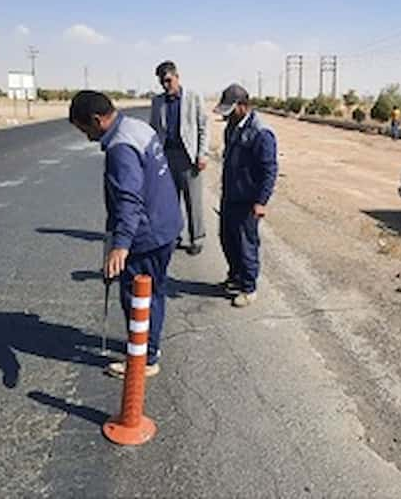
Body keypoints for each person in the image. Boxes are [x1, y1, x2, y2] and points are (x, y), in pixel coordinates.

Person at [69, 90, 182, 378]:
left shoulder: (120, 148)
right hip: (166, 225)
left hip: (146, 235)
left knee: (137, 297)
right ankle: (150, 348)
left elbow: (129, 199)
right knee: (153, 293)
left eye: (85, 129)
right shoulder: (137, 127)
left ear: (97, 120)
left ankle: (143, 359)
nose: (86, 137)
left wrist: (120, 245)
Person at [213, 84, 278, 308]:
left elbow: (269, 170)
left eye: (230, 109)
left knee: (246, 244)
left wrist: (261, 202)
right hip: (230, 196)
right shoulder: (231, 127)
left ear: (243, 106)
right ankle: (236, 277)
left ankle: (249, 288)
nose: (227, 115)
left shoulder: (261, 132)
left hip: (248, 200)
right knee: (226, 239)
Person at [150, 61, 209, 255]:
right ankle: (174, 236)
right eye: (162, 82)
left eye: (168, 80)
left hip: (188, 158)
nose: (166, 85)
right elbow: (154, 130)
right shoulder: (158, 101)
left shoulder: (193, 97)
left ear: (177, 77)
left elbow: (203, 127)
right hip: (167, 157)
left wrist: (202, 154)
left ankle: (197, 238)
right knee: (170, 201)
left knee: (194, 201)